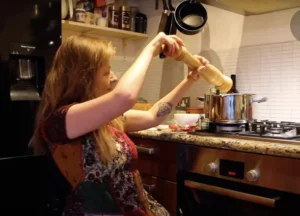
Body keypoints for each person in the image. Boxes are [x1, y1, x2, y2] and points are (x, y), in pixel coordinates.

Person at [32, 32, 209, 216]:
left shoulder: (104, 118)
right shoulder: (60, 121)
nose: (114, 77)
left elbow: (152, 115)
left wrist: (190, 80)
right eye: (106, 72)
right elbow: (124, 97)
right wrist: (151, 48)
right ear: (82, 78)